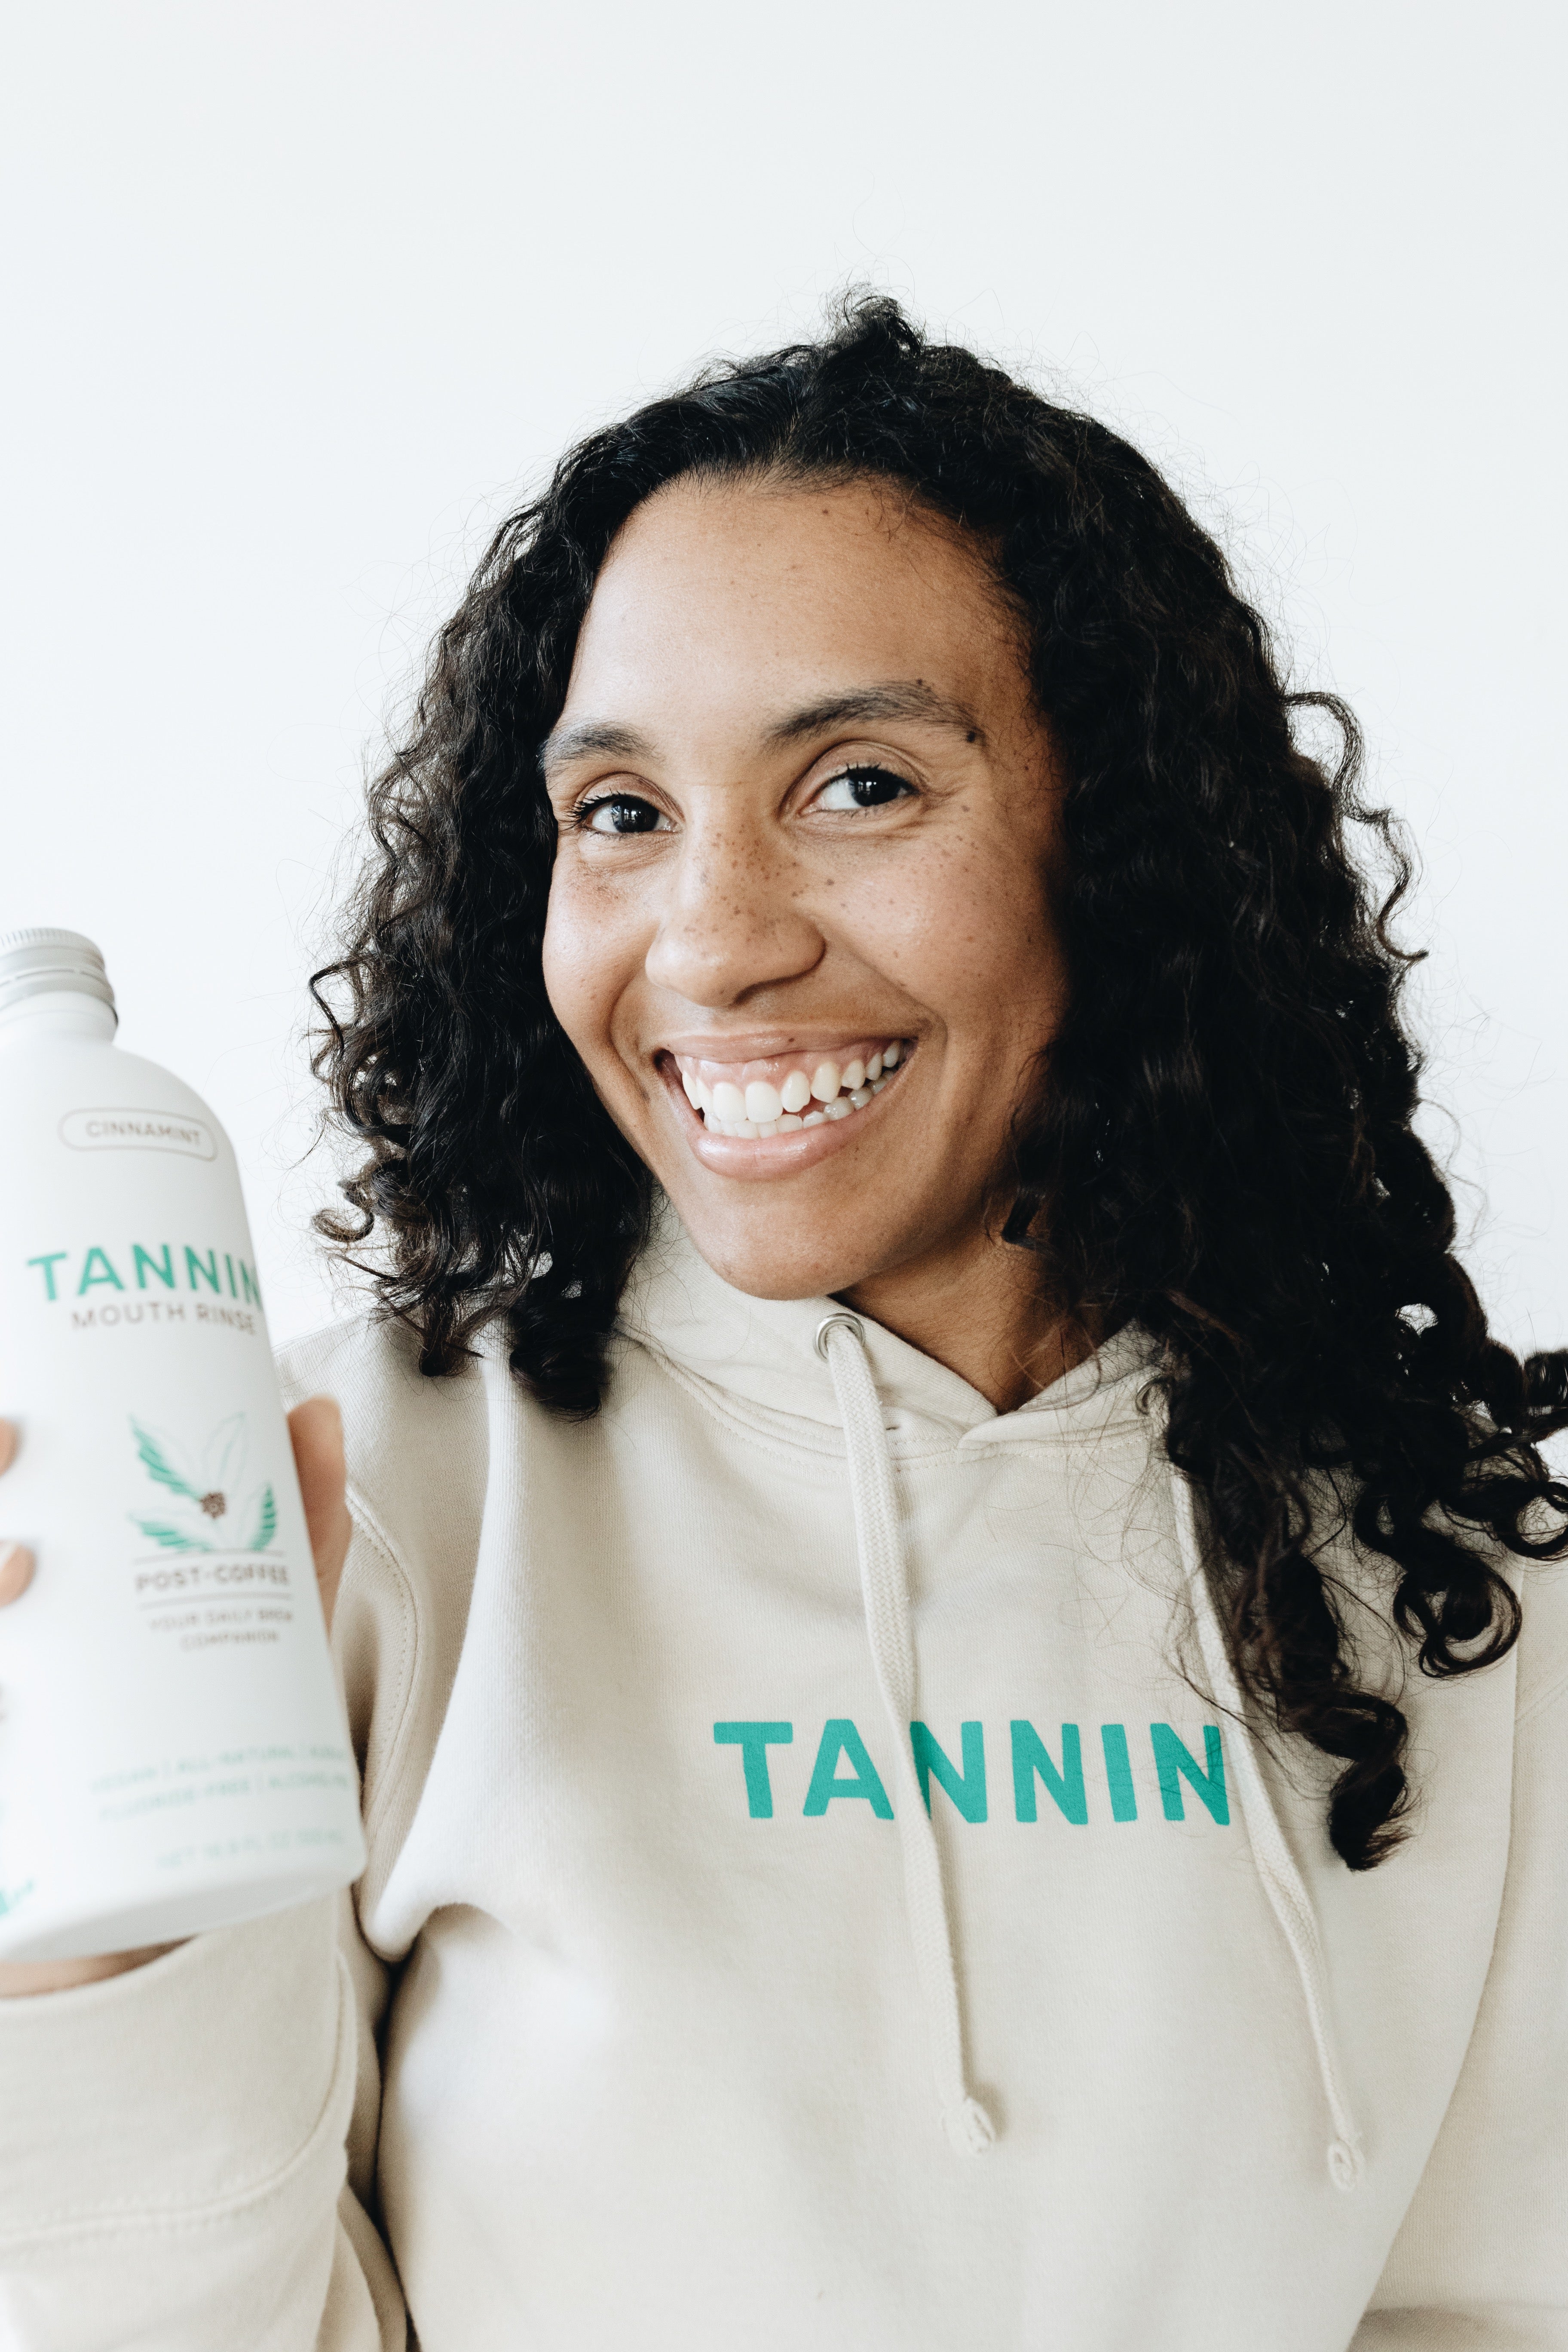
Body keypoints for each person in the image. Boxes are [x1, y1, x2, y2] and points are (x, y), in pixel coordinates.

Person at [2, 298, 1565, 2352]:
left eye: (857, 784)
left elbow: (1486, 2306)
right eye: (622, 816)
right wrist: (76, 1956)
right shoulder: (369, 1505)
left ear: (1119, 846)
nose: (718, 943)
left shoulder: (1441, 1585)